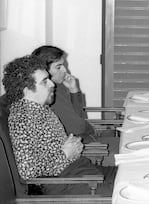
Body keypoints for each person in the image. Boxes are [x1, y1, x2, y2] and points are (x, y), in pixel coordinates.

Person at [3, 55, 116, 195]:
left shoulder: (43, 109)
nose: (52, 84)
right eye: (45, 81)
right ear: (27, 89)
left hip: (81, 169)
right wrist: (65, 154)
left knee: (131, 173)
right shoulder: (22, 119)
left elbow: (55, 150)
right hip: (65, 182)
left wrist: (74, 146)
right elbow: (28, 172)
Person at [32, 45, 119, 165]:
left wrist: (74, 91)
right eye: (58, 67)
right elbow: (78, 127)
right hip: (85, 151)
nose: (65, 71)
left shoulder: (60, 86)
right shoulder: (48, 96)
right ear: (44, 71)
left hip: (88, 139)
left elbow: (79, 116)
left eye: (64, 65)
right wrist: (90, 129)